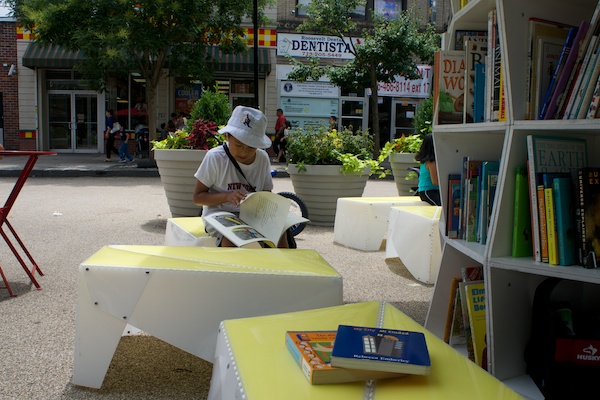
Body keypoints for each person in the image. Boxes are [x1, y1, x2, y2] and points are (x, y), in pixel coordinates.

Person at [192, 106, 288, 248]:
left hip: (252, 215)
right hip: (219, 214)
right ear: (227, 137)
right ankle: (231, 270)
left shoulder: (262, 158)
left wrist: (275, 207)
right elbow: (198, 198)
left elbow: (266, 193)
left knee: (280, 231)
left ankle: (283, 269)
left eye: (251, 147)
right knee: (232, 237)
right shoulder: (215, 157)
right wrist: (227, 196)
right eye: (238, 145)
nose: (244, 152)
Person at [414, 134, 440, 206]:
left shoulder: (426, 161)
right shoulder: (431, 163)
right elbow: (435, 182)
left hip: (428, 191)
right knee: (440, 207)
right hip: (428, 191)